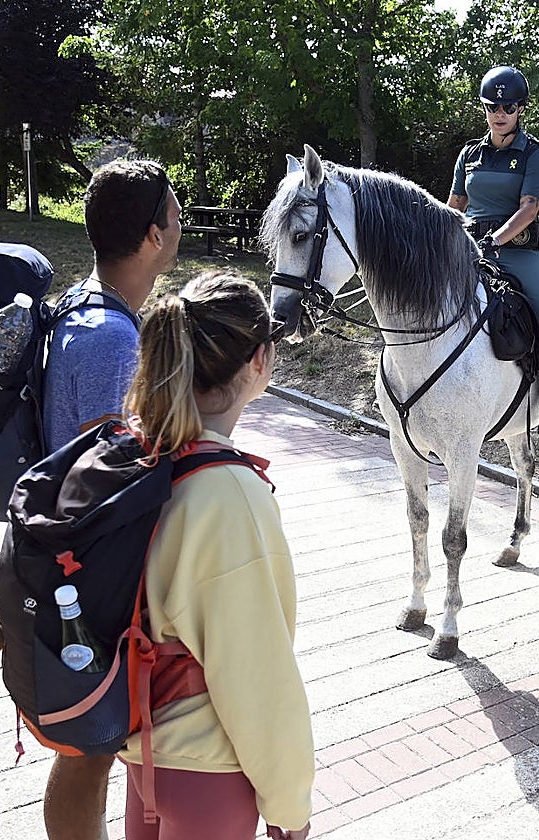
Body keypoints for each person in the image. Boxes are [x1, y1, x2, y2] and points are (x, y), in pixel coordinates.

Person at [116, 271, 313, 840]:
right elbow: (256, 675)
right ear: (259, 360)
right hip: (206, 770)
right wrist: (289, 805)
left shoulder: (147, 458)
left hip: (143, 752)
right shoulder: (230, 493)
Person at [41, 158, 182, 840]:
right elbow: (110, 477)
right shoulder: (112, 340)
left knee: (96, 744)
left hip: (77, 566)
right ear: (154, 237)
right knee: (87, 750)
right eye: (177, 214)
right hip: (88, 580)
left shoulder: (90, 307)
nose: (182, 224)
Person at [448, 65, 539, 445]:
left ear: (520, 110)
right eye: (492, 107)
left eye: (508, 107)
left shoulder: (535, 154)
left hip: (514, 251)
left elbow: (530, 207)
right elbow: (454, 204)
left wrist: (495, 241)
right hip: (468, 249)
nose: (500, 114)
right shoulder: (469, 153)